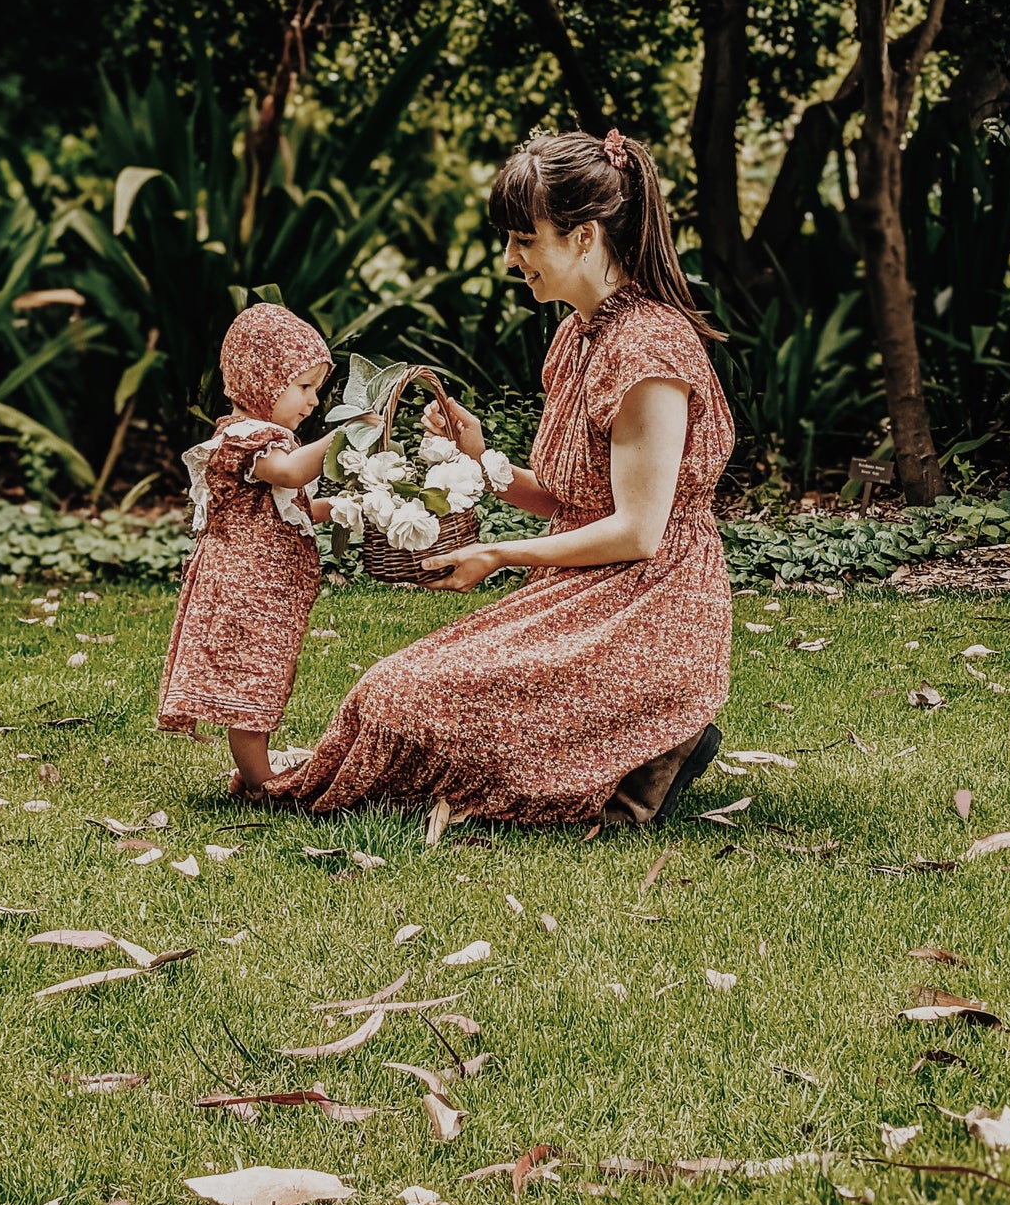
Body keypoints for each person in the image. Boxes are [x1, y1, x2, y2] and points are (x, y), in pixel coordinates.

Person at [263, 128, 736, 828]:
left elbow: (638, 531)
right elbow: (566, 499)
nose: (510, 257)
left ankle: (656, 736)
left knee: (401, 700)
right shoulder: (578, 333)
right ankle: (633, 748)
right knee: (386, 693)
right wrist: (479, 456)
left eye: (524, 237)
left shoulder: (650, 351)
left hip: (650, 607)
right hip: (585, 592)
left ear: (584, 236)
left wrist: (497, 553)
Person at [157, 302, 339, 791]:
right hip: (244, 588)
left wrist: (344, 509)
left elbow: (291, 505)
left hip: (267, 588)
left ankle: (255, 775)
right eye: (303, 387)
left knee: (268, 675)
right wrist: (349, 434)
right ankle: (260, 782)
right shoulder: (243, 439)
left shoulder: (272, 440)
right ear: (262, 379)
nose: (313, 402)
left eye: (317, 390)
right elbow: (290, 474)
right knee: (252, 682)